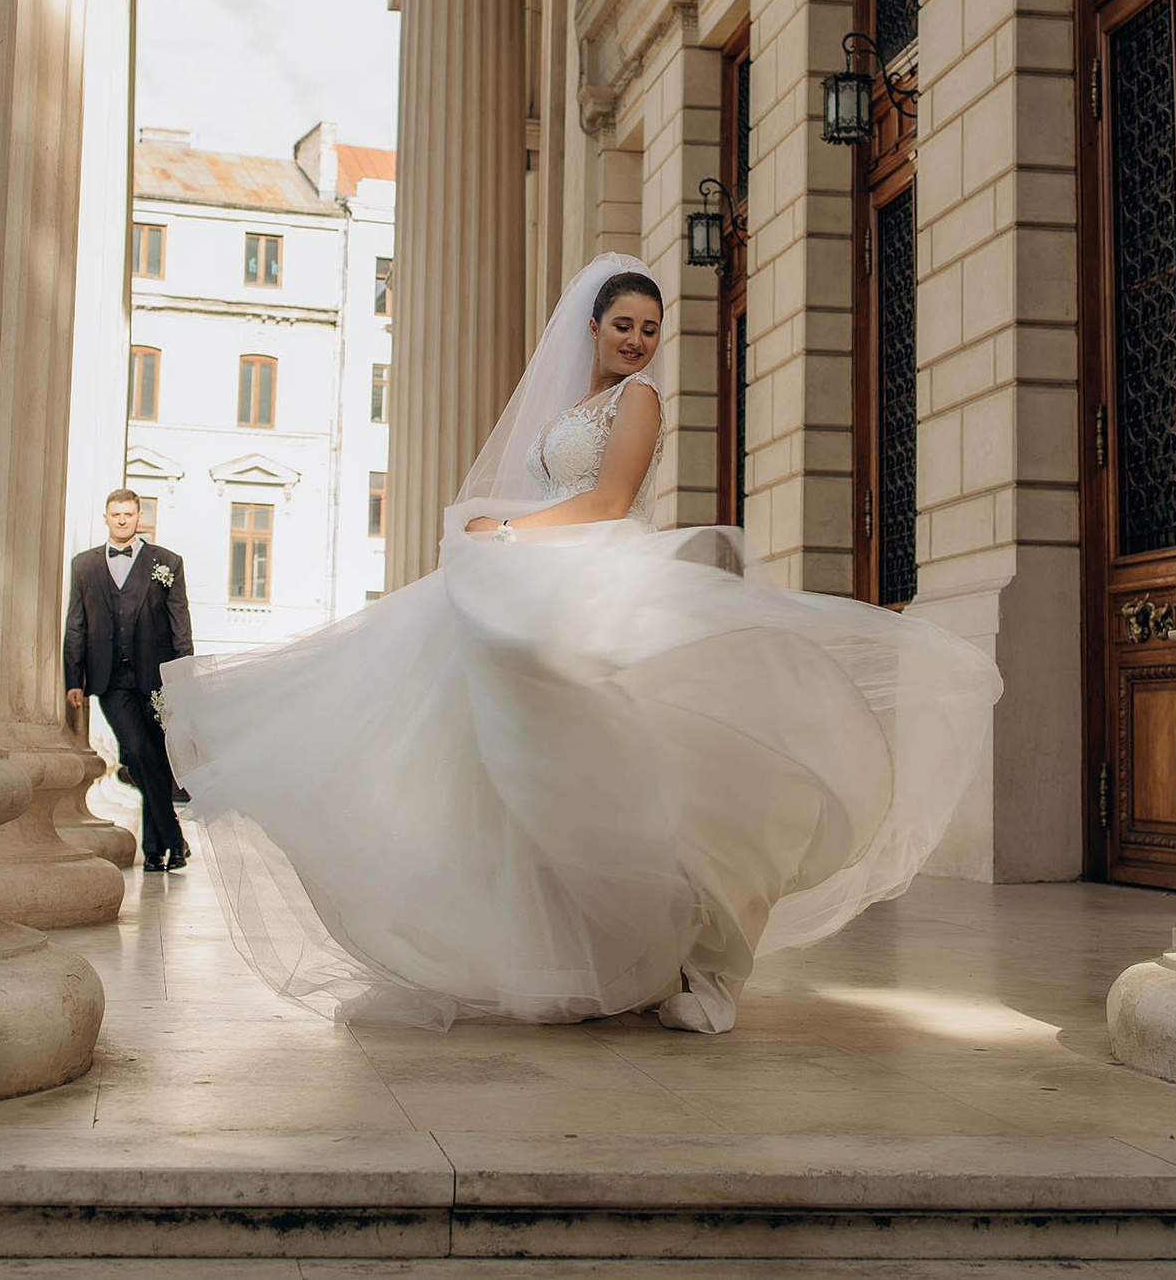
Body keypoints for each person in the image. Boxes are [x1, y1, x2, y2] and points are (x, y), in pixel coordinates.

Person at [156, 254, 1002, 1032]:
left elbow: (608, 500)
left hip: (609, 581)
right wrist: (504, 536)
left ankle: (704, 962)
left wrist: (511, 538)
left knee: (653, 766)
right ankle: (573, 946)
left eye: (650, 328)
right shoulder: (576, 406)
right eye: (624, 324)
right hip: (557, 575)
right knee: (510, 748)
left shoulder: (640, 401)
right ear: (592, 327)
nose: (637, 340)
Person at [65, 489, 196, 872]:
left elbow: (180, 625)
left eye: (129, 514)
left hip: (156, 678)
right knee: (138, 753)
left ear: (139, 518)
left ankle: (155, 851)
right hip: (110, 679)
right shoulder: (84, 566)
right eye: (115, 514)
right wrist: (73, 678)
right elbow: (77, 625)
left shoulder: (167, 563)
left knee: (152, 758)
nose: (122, 520)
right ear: (106, 517)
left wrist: (182, 675)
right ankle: (174, 838)